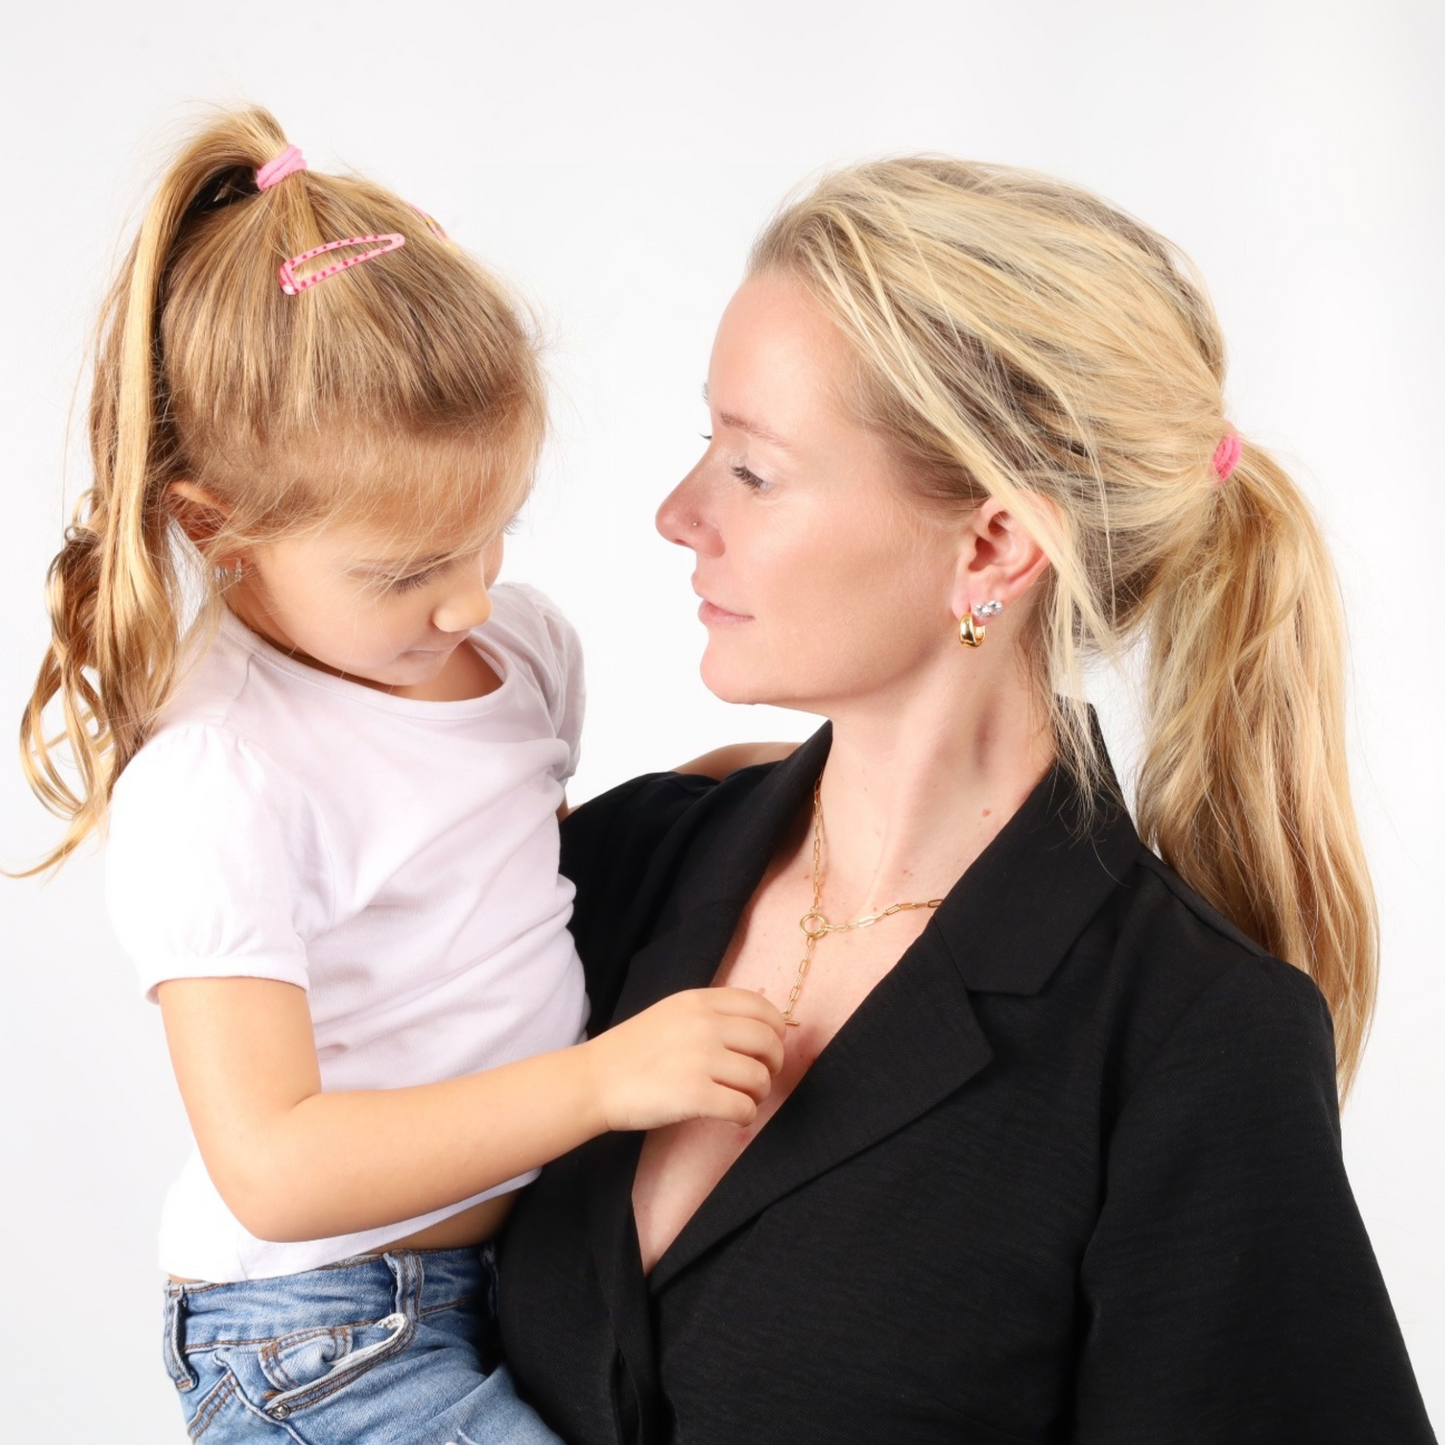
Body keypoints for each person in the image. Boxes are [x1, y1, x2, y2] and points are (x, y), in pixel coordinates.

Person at [497, 159, 1438, 1443]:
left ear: (992, 543)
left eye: (754, 470)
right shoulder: (609, 873)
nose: (678, 514)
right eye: (702, 445)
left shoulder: (1188, 1039)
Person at [17, 107, 787, 1444]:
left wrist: (761, 786)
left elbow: (499, 890)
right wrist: (605, 1082)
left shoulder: (519, 650)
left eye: (492, 534)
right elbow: (272, 1164)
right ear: (221, 529)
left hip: (520, 1268)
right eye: (407, 570)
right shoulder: (221, 777)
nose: (467, 601)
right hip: (321, 1330)